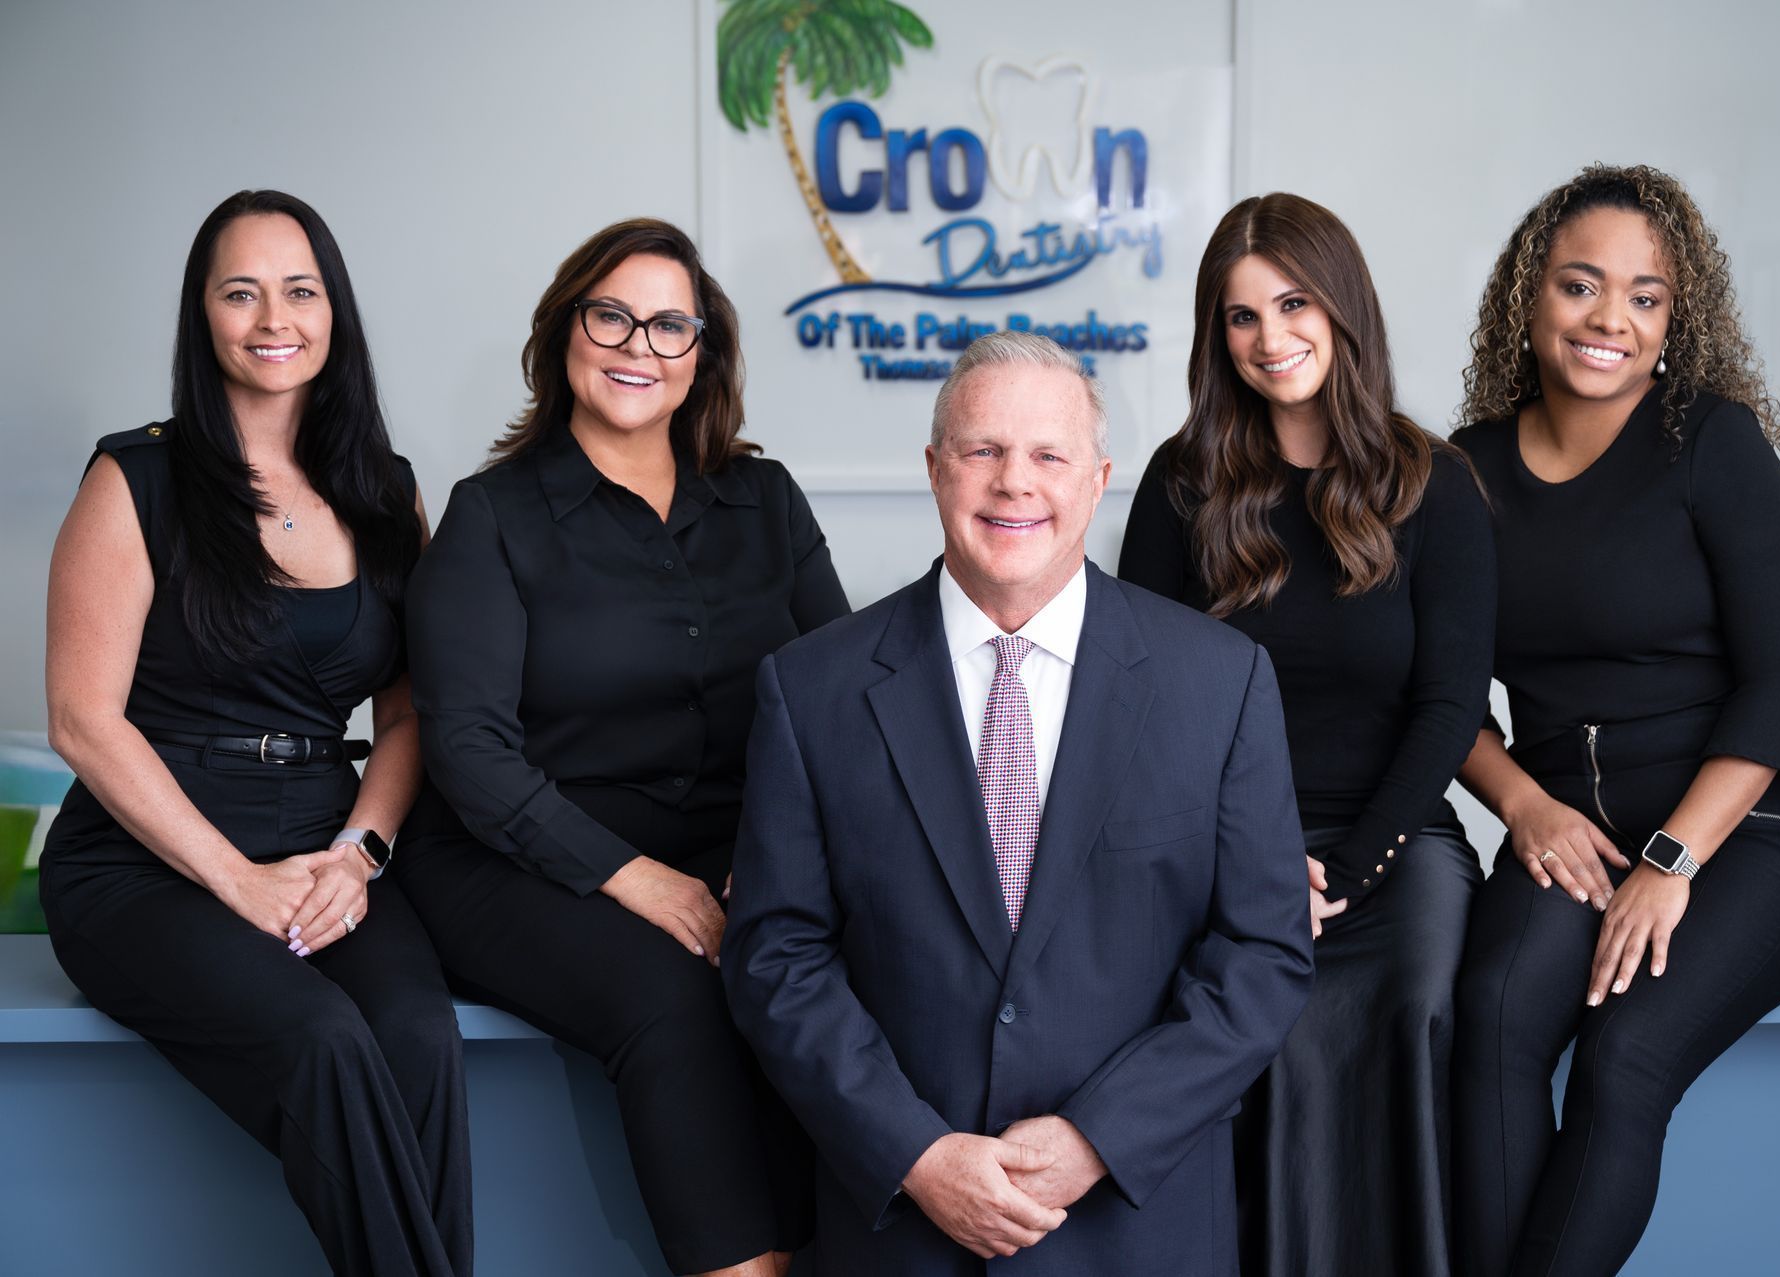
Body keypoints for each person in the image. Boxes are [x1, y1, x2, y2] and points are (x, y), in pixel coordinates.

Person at [722, 330, 1316, 1276]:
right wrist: (915, 1152)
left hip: (1136, 1228)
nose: (1014, 483)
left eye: (1049, 454)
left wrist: (1098, 1138)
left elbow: (1264, 953)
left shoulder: (1222, 681)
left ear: (1099, 478)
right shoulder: (811, 688)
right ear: (934, 468)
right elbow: (775, 954)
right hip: (900, 1229)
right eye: (982, 450)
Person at [400, 218, 842, 1277]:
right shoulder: (492, 516)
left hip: (720, 847)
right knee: (679, 992)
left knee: (838, 969)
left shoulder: (764, 501)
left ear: (702, 357)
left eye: (669, 324)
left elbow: (841, 700)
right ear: (566, 334)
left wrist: (783, 859)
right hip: (512, 854)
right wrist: (640, 879)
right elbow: (466, 750)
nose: (638, 344)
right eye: (612, 314)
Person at [39, 190, 470, 1276]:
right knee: (324, 1041)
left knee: (421, 1038)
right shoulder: (132, 479)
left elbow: (410, 711)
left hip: (327, 846)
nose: (272, 317)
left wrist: (361, 853)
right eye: (241, 291)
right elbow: (83, 722)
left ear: (334, 313)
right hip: (146, 865)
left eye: (299, 289)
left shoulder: (385, 492)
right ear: (204, 316)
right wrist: (238, 880)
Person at [1448, 164, 1780, 1277]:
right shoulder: (1465, 473)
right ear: (1531, 297)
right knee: (1485, 1023)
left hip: (1751, 831)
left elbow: (1779, 686)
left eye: (1644, 295)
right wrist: (1525, 806)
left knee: (1625, 1054)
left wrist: (1669, 860)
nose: (1608, 320)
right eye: (1582, 285)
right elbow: (1438, 695)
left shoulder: (1713, 444)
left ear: (1677, 318)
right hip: (1572, 832)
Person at [1119, 192, 1494, 1277]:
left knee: (1419, 1002)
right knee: (1241, 1021)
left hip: (1398, 841)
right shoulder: (1183, 483)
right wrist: (1254, 866)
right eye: (1240, 316)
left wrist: (1345, 865)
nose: (1271, 337)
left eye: (1293, 303)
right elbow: (1143, 708)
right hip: (1223, 846)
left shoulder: (1437, 484)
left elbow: (1448, 708)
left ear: (1342, 309)